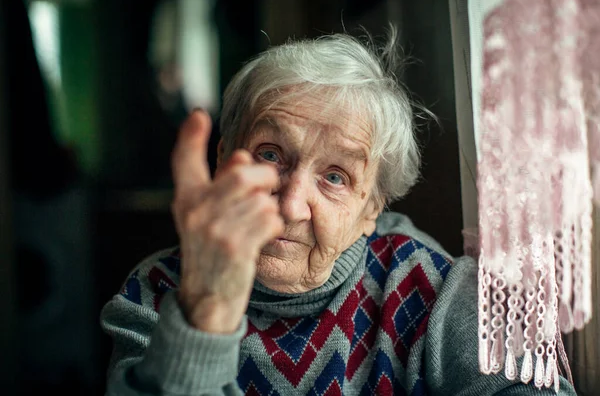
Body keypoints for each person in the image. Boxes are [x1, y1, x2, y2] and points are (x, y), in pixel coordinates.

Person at [100, 30, 576, 395]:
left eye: (335, 177)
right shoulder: (155, 293)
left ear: (372, 208)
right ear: (224, 159)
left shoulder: (435, 293)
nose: (290, 205)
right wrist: (206, 314)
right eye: (270, 154)